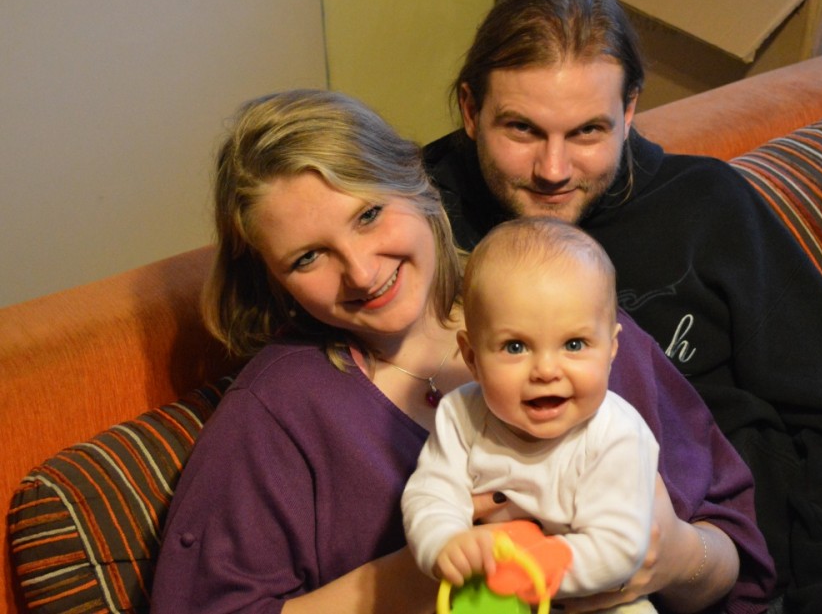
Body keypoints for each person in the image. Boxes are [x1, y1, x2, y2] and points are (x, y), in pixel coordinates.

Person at [422, 0, 822, 614]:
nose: (553, 170)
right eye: (522, 130)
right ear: (471, 110)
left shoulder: (706, 204)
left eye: (587, 131)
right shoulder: (417, 230)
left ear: (630, 110)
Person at [149, 89, 775, 613]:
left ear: (417, 182)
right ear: (272, 278)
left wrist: (675, 558)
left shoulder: (565, 308)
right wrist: (419, 574)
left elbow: (736, 556)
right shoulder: (276, 411)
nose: (361, 272)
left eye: (368, 215)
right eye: (308, 257)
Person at [403, 217, 660, 614]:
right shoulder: (460, 414)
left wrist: (537, 565)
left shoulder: (618, 433)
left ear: (611, 349)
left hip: (596, 602)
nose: (546, 370)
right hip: (492, 597)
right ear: (472, 357)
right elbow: (432, 493)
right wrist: (444, 542)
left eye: (574, 344)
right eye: (515, 347)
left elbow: (621, 545)